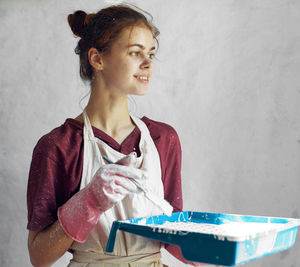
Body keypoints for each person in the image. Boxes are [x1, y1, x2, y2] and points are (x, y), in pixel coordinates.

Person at [26, 4, 202, 267]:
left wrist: (211, 250)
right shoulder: (57, 147)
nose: (148, 64)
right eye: (135, 52)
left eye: (151, 54)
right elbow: (39, 256)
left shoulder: (163, 139)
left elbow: (171, 236)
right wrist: (87, 202)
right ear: (97, 59)